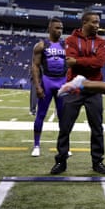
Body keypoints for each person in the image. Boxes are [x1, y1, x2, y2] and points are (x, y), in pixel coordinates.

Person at [50, 11, 105, 175]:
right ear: (84, 23)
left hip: (94, 88)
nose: (97, 25)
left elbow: (100, 62)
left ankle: (97, 161)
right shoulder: (70, 40)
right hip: (74, 88)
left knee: (97, 127)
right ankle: (61, 160)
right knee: (65, 126)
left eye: (98, 22)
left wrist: (80, 62)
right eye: (94, 22)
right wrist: (87, 62)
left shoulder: (102, 42)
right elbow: (70, 63)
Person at [30, 17, 67, 157]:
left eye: (61, 28)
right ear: (50, 28)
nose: (59, 31)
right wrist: (38, 85)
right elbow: (35, 66)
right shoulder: (41, 45)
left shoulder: (66, 45)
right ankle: (36, 145)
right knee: (41, 114)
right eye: (57, 28)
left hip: (62, 82)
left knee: (64, 117)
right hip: (47, 81)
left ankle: (63, 147)